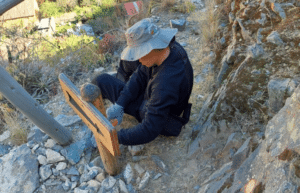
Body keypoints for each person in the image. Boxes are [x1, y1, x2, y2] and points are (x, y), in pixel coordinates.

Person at [83, 18, 194, 146]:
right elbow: (139, 76)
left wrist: (112, 137)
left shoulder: (165, 83)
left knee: (142, 109)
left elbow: (149, 129)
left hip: (167, 118)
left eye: (139, 54)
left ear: (151, 49)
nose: (138, 59)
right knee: (101, 80)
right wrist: (119, 104)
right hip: (152, 97)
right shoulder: (167, 49)